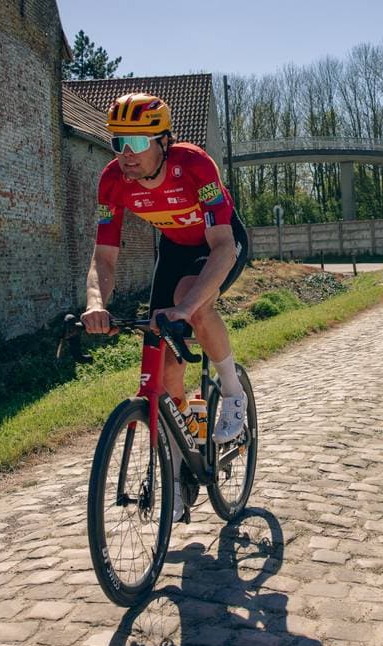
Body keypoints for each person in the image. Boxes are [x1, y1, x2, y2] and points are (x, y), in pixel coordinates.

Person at [82, 92, 249, 521]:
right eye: (119, 142)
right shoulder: (112, 182)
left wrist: (188, 307)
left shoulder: (193, 165)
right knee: (163, 372)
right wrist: (96, 304)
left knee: (188, 304)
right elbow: (104, 258)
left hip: (220, 245)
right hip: (174, 249)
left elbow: (223, 245)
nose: (126, 155)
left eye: (137, 144)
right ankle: (178, 471)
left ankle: (232, 392)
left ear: (163, 141)